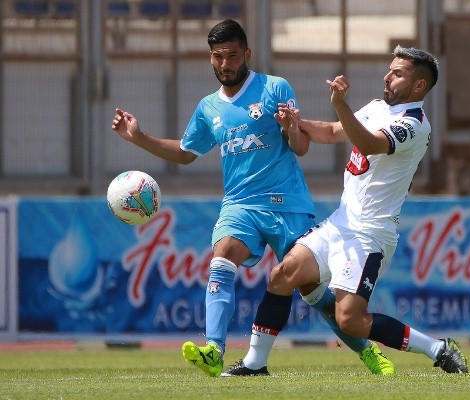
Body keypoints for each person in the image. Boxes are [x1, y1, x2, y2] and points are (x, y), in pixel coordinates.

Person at [111, 19, 394, 377]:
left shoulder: (275, 88)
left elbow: (301, 147)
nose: (225, 64)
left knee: (312, 290)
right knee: (223, 254)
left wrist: (292, 128)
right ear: (210, 59)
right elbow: (185, 153)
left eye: (231, 56)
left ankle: (367, 352)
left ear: (246, 54)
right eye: (218, 57)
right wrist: (138, 137)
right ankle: (214, 349)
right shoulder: (208, 108)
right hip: (240, 205)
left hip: (288, 205)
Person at [222, 46, 468, 376]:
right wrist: (295, 122)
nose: (388, 76)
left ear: (419, 85)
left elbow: (368, 144)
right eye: (390, 69)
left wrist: (340, 103)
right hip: (340, 224)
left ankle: (437, 348)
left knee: (350, 320)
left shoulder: (415, 124)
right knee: (283, 275)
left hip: (370, 235)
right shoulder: (378, 107)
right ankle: (255, 363)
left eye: (398, 73)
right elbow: (333, 131)